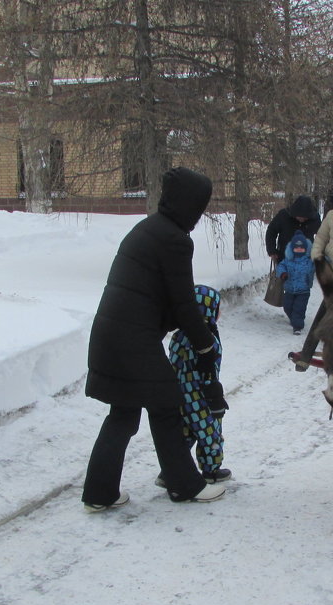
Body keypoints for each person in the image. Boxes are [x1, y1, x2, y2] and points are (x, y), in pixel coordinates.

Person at [81, 167, 228, 511]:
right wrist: (206, 345)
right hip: (133, 340)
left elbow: (161, 297)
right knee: (165, 404)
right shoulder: (175, 240)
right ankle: (184, 485)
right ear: (189, 204)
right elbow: (182, 303)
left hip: (111, 335)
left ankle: (99, 494)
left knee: (123, 414)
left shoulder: (147, 229)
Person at [163, 284, 233, 486]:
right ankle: (211, 470)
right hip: (200, 396)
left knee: (184, 434)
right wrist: (214, 395)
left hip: (178, 394)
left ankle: (170, 470)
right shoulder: (206, 338)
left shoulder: (179, 335)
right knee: (210, 432)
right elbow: (207, 369)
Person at [276, 231, 315, 335]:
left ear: (306, 249)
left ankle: (297, 326)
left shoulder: (309, 261)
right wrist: (283, 273)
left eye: (301, 248)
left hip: (303, 290)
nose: (299, 250)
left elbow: (319, 264)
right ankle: (293, 319)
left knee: (299, 308)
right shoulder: (288, 259)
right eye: (296, 248)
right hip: (289, 289)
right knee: (287, 306)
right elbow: (280, 266)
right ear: (292, 248)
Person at [266, 195, 321, 262]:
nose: (302, 220)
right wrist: (272, 251)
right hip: (284, 257)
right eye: (300, 217)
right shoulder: (283, 215)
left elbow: (322, 236)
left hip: (306, 260)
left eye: (305, 218)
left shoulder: (314, 218)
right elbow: (271, 231)